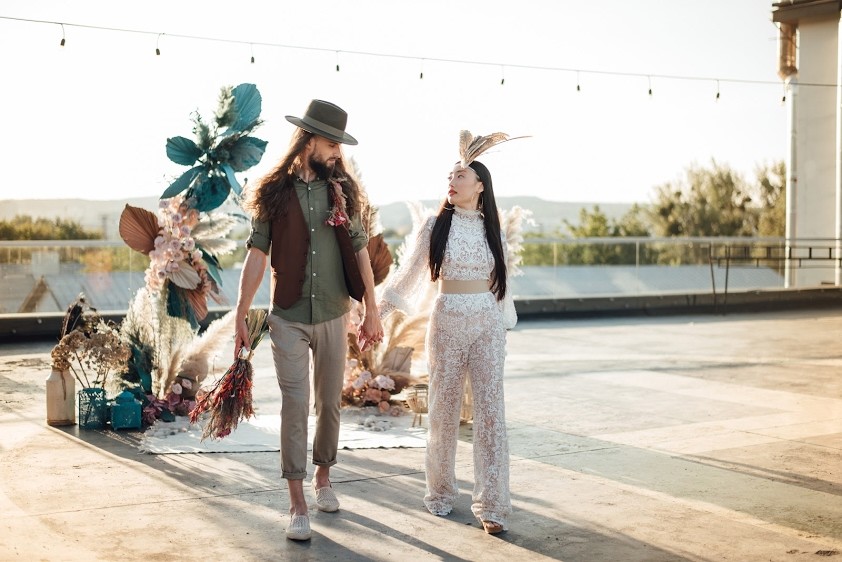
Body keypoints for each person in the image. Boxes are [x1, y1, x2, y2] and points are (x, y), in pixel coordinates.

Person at [234, 99, 384, 541]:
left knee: (329, 403)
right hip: (289, 317)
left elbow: (360, 248)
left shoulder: (343, 191)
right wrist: (241, 313)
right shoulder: (274, 192)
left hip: (335, 313)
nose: (337, 153)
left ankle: (323, 477)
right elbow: (256, 255)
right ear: (309, 140)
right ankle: (297, 502)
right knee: (295, 404)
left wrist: (371, 307)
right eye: (332, 143)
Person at [377, 131, 518, 534]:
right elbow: (408, 276)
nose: (452, 182)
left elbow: (502, 284)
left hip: (487, 325)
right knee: (443, 410)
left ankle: (493, 504)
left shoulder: (493, 229)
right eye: (450, 176)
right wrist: (378, 314)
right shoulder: (434, 225)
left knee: (491, 413)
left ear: (480, 185)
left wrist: (501, 327)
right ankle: (440, 492)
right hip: (447, 323)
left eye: (460, 175)